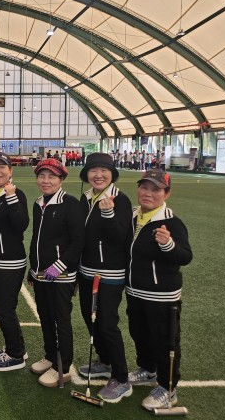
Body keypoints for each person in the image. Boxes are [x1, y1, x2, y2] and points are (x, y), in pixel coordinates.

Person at [126, 169, 192, 411]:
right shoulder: (134, 216)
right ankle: (148, 368)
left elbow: (185, 257)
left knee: (165, 342)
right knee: (139, 333)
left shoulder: (172, 223)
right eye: (144, 187)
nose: (148, 193)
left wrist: (168, 244)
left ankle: (168, 388)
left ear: (167, 194)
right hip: (135, 292)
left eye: (156, 189)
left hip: (162, 296)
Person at [77, 153, 133, 403]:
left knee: (107, 324)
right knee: (89, 318)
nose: (98, 175)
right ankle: (105, 360)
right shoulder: (86, 197)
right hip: (85, 271)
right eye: (93, 170)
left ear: (112, 174)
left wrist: (109, 213)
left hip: (109, 274)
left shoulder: (120, 199)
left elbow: (121, 237)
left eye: (104, 171)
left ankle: (121, 378)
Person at [28, 158, 84, 387]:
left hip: (61, 276)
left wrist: (59, 265)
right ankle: (51, 356)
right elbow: (37, 240)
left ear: (61, 179)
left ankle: (64, 367)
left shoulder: (71, 204)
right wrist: (33, 269)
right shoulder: (38, 203)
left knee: (61, 320)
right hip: (41, 274)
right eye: (42, 176)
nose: (46, 181)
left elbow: (78, 241)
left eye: (51, 176)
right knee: (45, 316)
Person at [0, 153, 30, 372]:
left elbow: (21, 224)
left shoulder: (15, 193)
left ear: (10, 171)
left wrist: (11, 198)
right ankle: (17, 346)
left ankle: (15, 355)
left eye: (2, 167)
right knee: (4, 308)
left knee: (4, 310)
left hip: (9, 263)